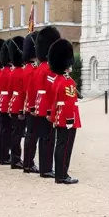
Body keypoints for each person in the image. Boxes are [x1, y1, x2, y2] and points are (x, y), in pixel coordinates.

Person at [49, 38, 81, 185]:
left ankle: (59, 174)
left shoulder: (57, 80)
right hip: (68, 117)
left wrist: (54, 116)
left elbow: (54, 100)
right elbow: (68, 103)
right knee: (66, 146)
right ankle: (63, 175)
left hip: (59, 116)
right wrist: (69, 119)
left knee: (60, 145)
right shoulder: (67, 81)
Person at [34, 26, 61, 179]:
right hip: (47, 106)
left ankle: (45, 166)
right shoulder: (49, 69)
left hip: (39, 104)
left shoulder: (39, 68)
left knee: (43, 137)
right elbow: (53, 89)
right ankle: (46, 168)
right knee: (48, 138)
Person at [22, 32, 40, 174]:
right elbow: (31, 89)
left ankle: (27, 162)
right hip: (32, 106)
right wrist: (33, 106)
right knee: (32, 135)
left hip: (27, 104)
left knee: (30, 134)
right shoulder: (33, 69)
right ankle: (28, 163)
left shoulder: (26, 68)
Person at [8, 36, 26, 169]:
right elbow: (23, 92)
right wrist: (21, 109)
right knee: (18, 134)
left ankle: (14, 157)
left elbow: (10, 91)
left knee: (14, 132)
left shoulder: (12, 72)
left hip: (12, 103)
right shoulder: (22, 73)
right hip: (19, 105)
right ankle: (16, 158)